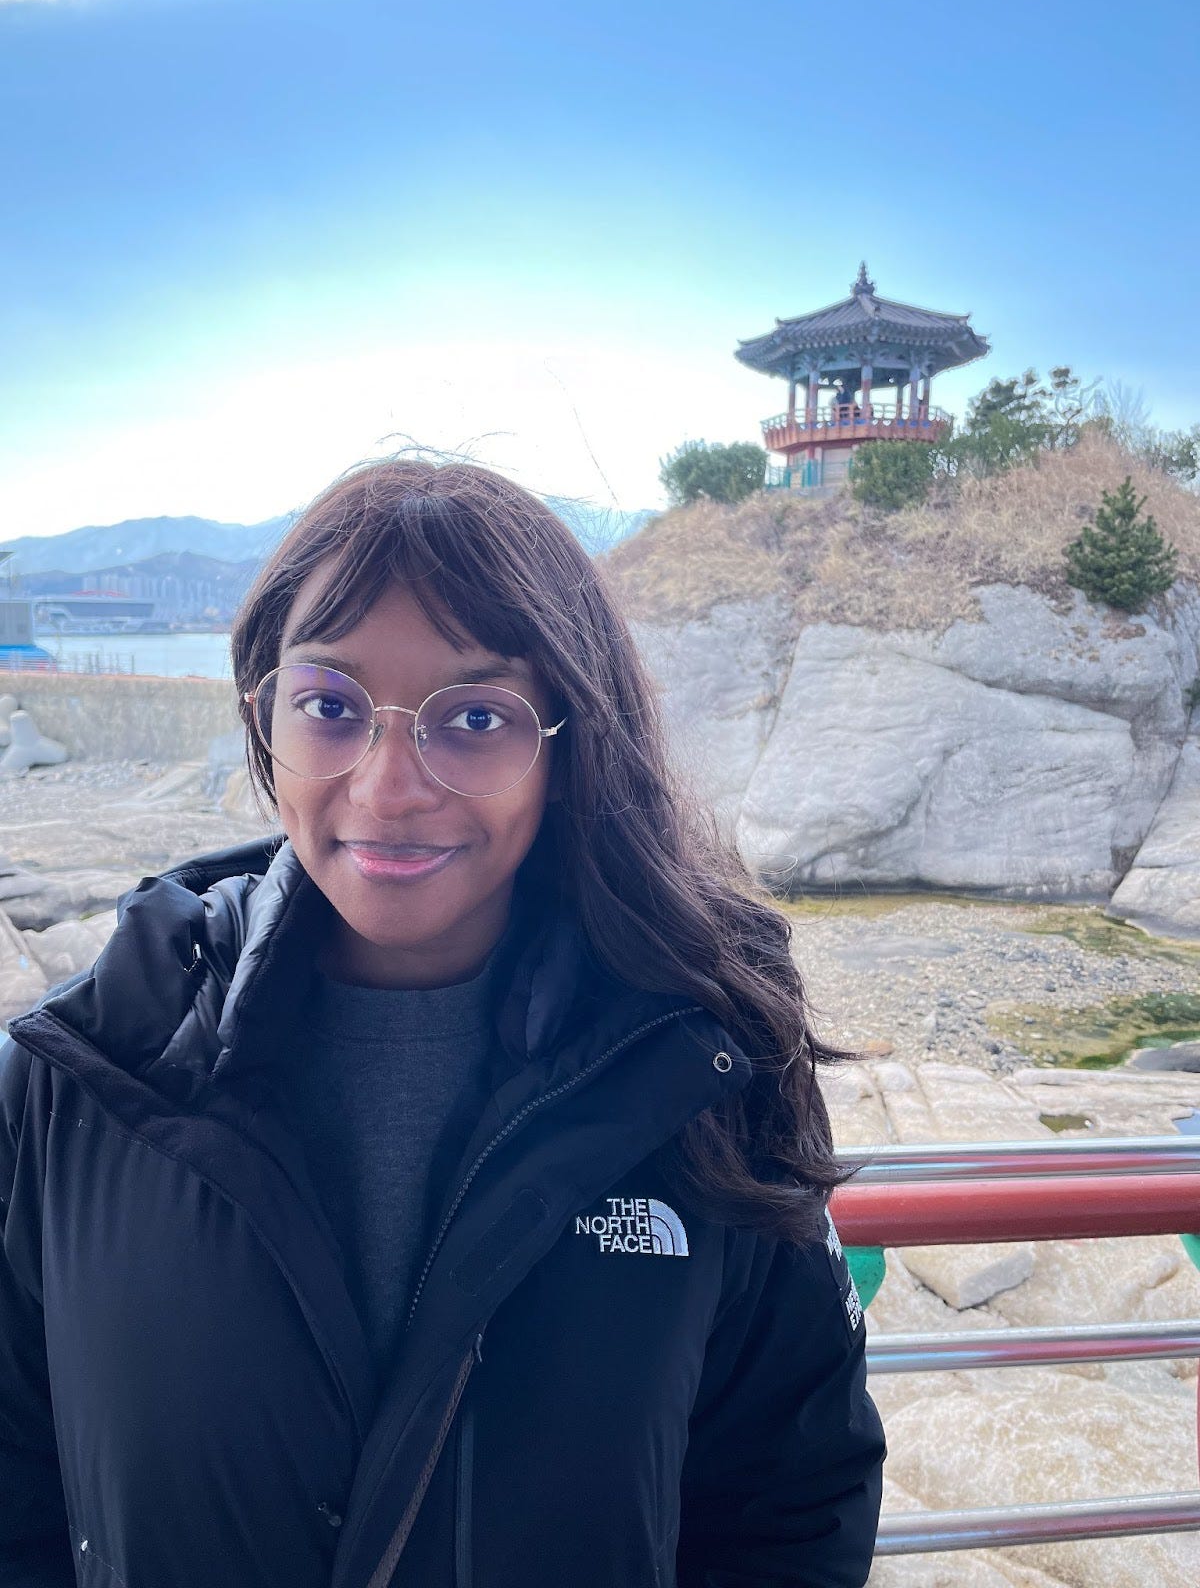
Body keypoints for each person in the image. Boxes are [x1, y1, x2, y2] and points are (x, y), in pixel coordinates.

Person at [0, 460, 884, 1588]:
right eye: (330, 706)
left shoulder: (702, 1064)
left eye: (474, 717)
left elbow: (792, 1497)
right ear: (264, 718)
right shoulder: (81, 1077)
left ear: (570, 744)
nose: (388, 786)